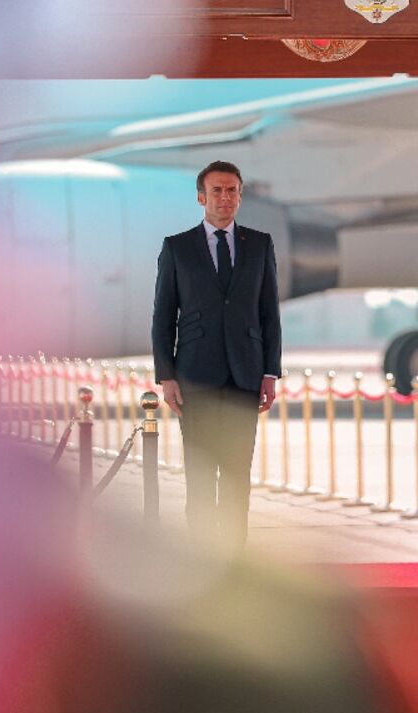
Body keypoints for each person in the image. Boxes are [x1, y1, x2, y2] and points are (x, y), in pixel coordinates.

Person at [152, 160, 281, 546]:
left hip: (246, 376)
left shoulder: (259, 245)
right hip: (195, 377)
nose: (225, 197)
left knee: (238, 475)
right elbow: (163, 315)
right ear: (201, 197)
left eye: (232, 190)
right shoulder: (177, 247)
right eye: (217, 190)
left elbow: (269, 314)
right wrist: (166, 375)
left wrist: (270, 372)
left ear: (241, 196)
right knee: (201, 475)